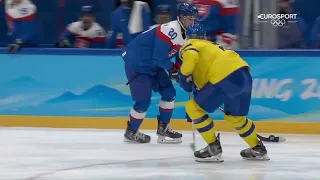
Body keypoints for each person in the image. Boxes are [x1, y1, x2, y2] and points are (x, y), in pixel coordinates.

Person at [177, 23, 269, 162]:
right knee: (235, 117)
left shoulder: (191, 43)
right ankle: (258, 149)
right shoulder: (212, 47)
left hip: (223, 77)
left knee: (193, 108)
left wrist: (183, 75)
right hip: (243, 75)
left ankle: (213, 148)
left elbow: (191, 57)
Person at [121, 3, 198, 144]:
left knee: (169, 93)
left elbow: (178, 57)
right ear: (181, 17)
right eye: (189, 17)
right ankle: (131, 132)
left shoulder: (185, 33)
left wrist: (183, 71)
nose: (192, 20)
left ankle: (163, 128)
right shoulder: (170, 30)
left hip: (154, 65)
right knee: (143, 101)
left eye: (193, 17)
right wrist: (173, 70)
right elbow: (159, 57)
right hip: (138, 64)